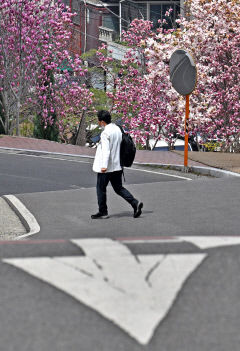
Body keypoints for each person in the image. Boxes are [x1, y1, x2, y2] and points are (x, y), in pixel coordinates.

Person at [91, 110, 143, 219]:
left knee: (100, 188)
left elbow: (106, 151)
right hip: (117, 165)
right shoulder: (117, 128)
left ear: (102, 121)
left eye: (99, 120)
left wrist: (104, 165)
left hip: (108, 167)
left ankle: (103, 211)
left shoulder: (105, 133)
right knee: (118, 188)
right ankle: (134, 203)